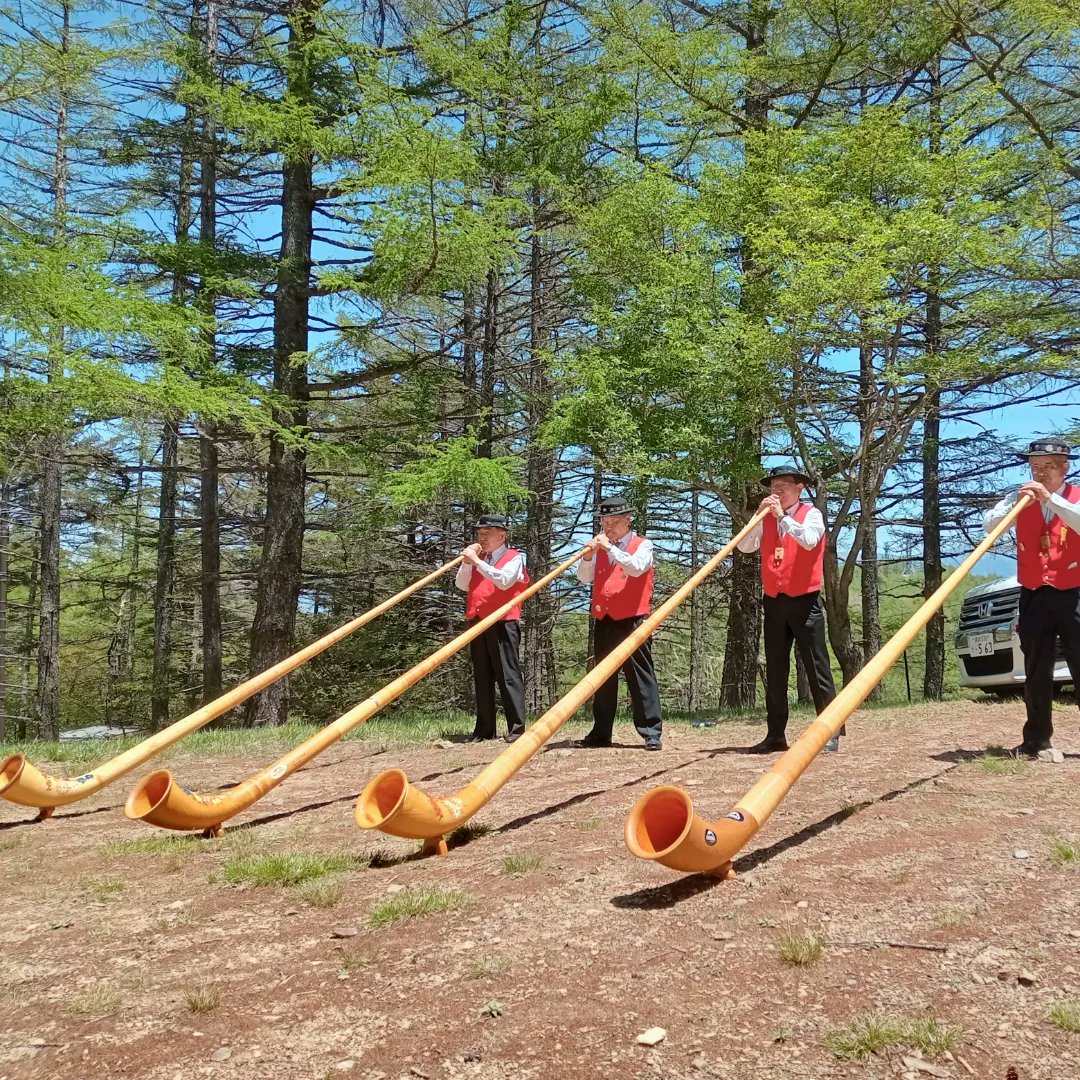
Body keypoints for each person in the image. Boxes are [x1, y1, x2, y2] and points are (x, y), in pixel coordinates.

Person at [983, 438, 1080, 758]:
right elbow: (990, 527)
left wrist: (1051, 500)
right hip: (1034, 592)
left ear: (1064, 467)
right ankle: (1036, 740)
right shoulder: (1018, 498)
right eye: (1035, 467)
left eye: (1048, 467)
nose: (1040, 474)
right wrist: (1015, 504)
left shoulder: (1076, 496)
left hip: (1074, 591)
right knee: (1036, 667)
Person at [737, 465, 839, 754]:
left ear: (799, 489)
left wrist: (783, 518)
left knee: (817, 667)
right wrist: (758, 518)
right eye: (773, 487)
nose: (776, 492)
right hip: (774, 601)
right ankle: (775, 735)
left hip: (805, 602)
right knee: (776, 669)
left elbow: (809, 541)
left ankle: (829, 731)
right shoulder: (766, 518)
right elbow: (745, 546)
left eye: (783, 486)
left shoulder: (812, 515)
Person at [574, 495, 663, 751]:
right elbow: (583, 578)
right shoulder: (601, 548)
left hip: (633, 619)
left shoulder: (643, 544)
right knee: (603, 677)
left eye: (613, 522)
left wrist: (610, 548)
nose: (608, 527)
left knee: (640, 676)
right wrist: (589, 557)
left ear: (627, 520)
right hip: (605, 618)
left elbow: (636, 568)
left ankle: (651, 732)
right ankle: (601, 732)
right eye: (604, 522)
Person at [455, 513, 529, 744]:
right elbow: (461, 584)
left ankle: (516, 728)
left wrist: (477, 562)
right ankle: (484, 729)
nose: (483, 537)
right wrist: (468, 564)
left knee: (508, 675)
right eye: (480, 533)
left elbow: (504, 581)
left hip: (503, 621)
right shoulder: (480, 558)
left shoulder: (514, 557)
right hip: (478, 620)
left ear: (502, 535)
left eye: (488, 533)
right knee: (482, 675)